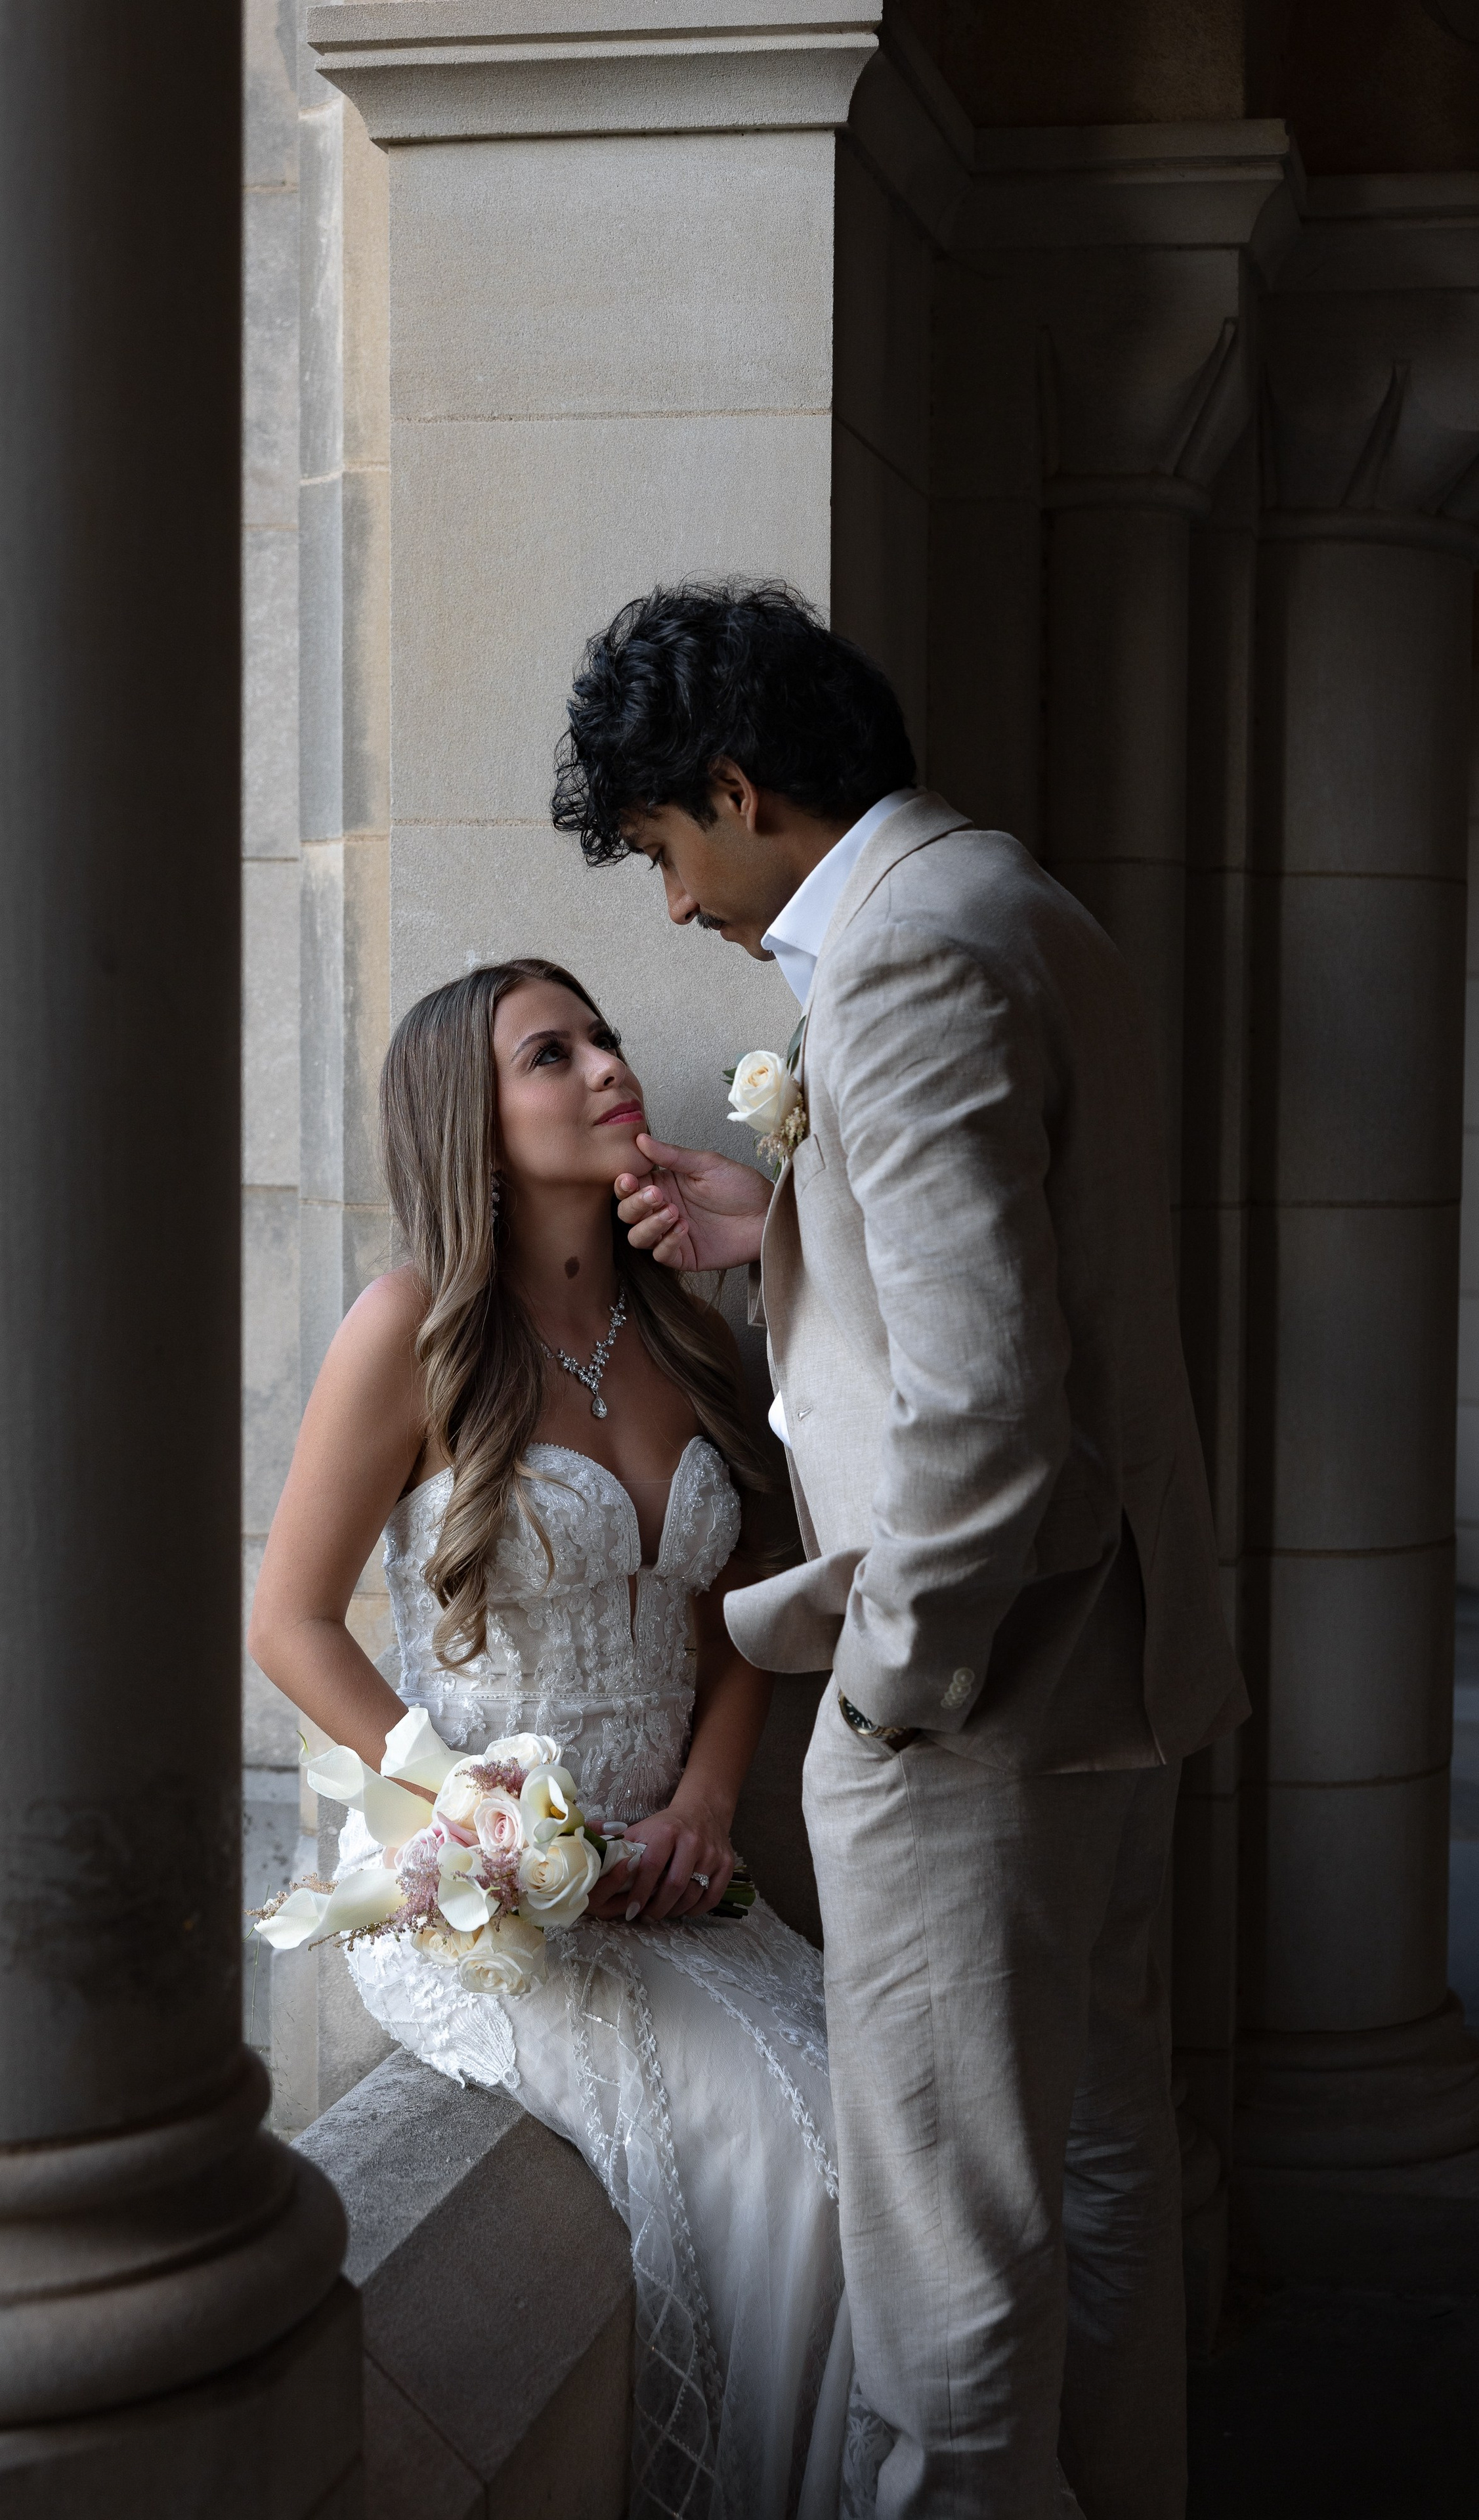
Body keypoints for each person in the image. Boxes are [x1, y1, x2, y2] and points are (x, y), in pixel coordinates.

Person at [551, 581, 1249, 2520]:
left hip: (984, 1706)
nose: (678, 908)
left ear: (738, 785)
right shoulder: (1018, 903)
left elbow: (988, 1408)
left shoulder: (904, 962)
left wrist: (888, 1691)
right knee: (1099, 2190)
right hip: (1113, 1673)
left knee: (947, 2274)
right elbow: (1014, 1293)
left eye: (663, 851)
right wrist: (782, 1225)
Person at [249, 956, 882, 2520]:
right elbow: (290, 1621)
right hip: (488, 1896)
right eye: (554, 1052)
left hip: (672, 1869)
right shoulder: (409, 1327)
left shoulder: (694, 1330)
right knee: (806, 2172)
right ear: (472, 1118)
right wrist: (470, 1813)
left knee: (881, 2153)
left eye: (603, 1033)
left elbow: (749, 1596)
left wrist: (710, 1799)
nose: (608, 1064)